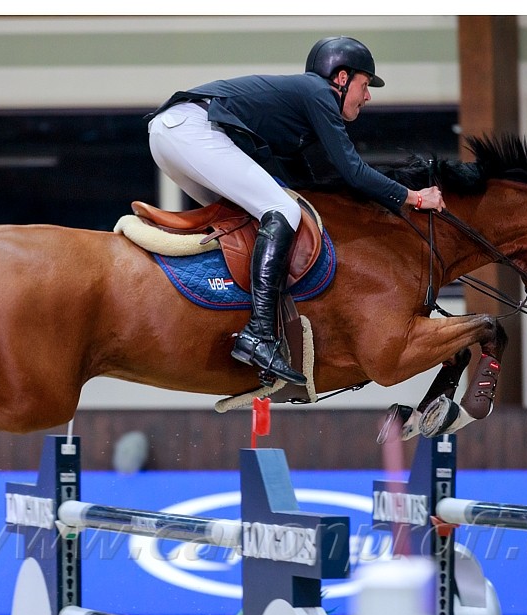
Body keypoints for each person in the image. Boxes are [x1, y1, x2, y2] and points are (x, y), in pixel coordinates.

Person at [146, 36, 444, 386]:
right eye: (365, 85)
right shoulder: (319, 94)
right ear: (342, 78)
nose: (368, 97)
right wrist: (414, 197)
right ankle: (258, 332)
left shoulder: (302, 109)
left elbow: (312, 181)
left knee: (261, 214)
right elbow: (354, 171)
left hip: (171, 135)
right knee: (282, 211)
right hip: (191, 129)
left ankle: (239, 318)